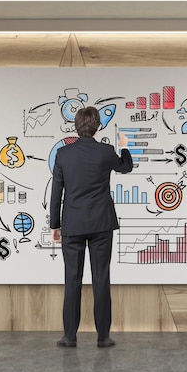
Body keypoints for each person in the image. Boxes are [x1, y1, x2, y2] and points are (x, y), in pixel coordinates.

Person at [50, 106, 133, 348]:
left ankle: (69, 336)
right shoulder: (106, 151)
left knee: (72, 279)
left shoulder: (64, 154)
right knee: (101, 279)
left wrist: (55, 225)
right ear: (97, 127)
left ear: (76, 126)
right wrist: (124, 145)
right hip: (101, 224)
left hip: (73, 225)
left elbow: (57, 193)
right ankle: (103, 337)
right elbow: (126, 167)